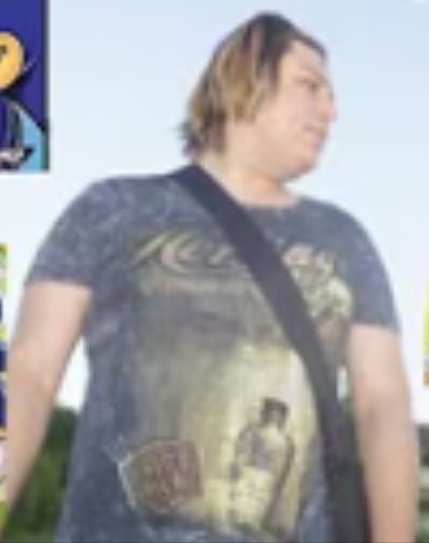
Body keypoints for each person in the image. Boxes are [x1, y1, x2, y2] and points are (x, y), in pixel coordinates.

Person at [8, 11, 419, 543]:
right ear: (244, 78)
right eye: (310, 86)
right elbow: (31, 375)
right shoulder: (111, 208)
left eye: (332, 96)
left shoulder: (344, 238)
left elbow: (383, 407)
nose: (331, 110)